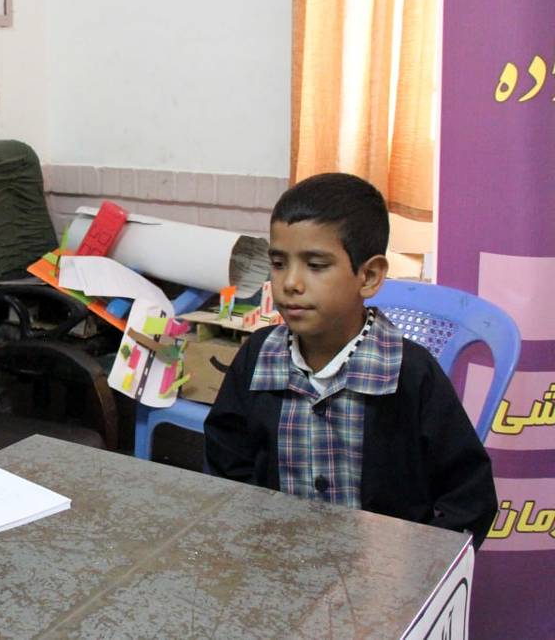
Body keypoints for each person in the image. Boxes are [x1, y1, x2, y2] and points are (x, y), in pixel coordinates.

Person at [204, 172, 497, 547]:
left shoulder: (410, 373)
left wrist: (423, 564)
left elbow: (468, 497)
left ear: (369, 276)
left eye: (316, 265)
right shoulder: (257, 357)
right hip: (276, 557)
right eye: (278, 263)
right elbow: (226, 459)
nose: (290, 283)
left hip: (386, 570)